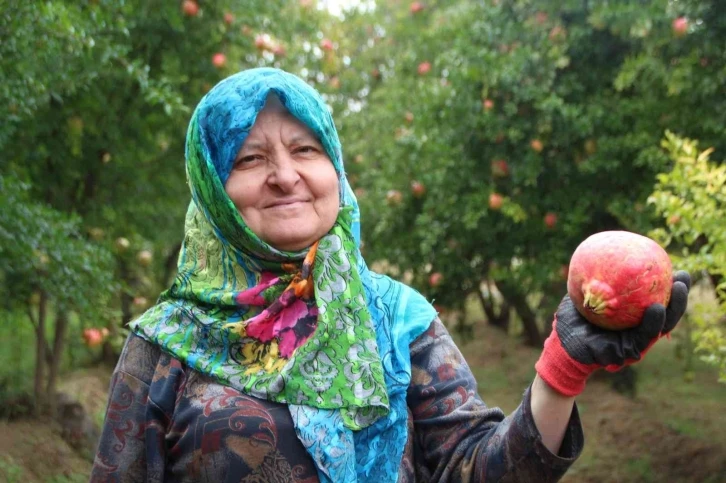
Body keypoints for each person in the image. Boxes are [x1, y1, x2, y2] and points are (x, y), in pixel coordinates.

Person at [90, 67, 690, 483]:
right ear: (212, 191)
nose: (284, 175)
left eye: (305, 150)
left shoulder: (397, 319)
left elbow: (475, 471)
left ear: (335, 168)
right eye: (249, 158)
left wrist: (563, 368)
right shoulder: (167, 344)